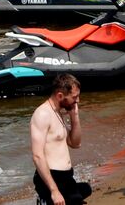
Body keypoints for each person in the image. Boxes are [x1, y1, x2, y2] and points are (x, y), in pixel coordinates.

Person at [31, 74, 86, 205]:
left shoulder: (57, 113)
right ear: (60, 96)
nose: (77, 101)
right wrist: (54, 191)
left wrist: (75, 116)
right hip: (51, 178)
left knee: (83, 192)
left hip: (66, 177)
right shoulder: (43, 114)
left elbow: (75, 143)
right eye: (74, 97)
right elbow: (37, 156)